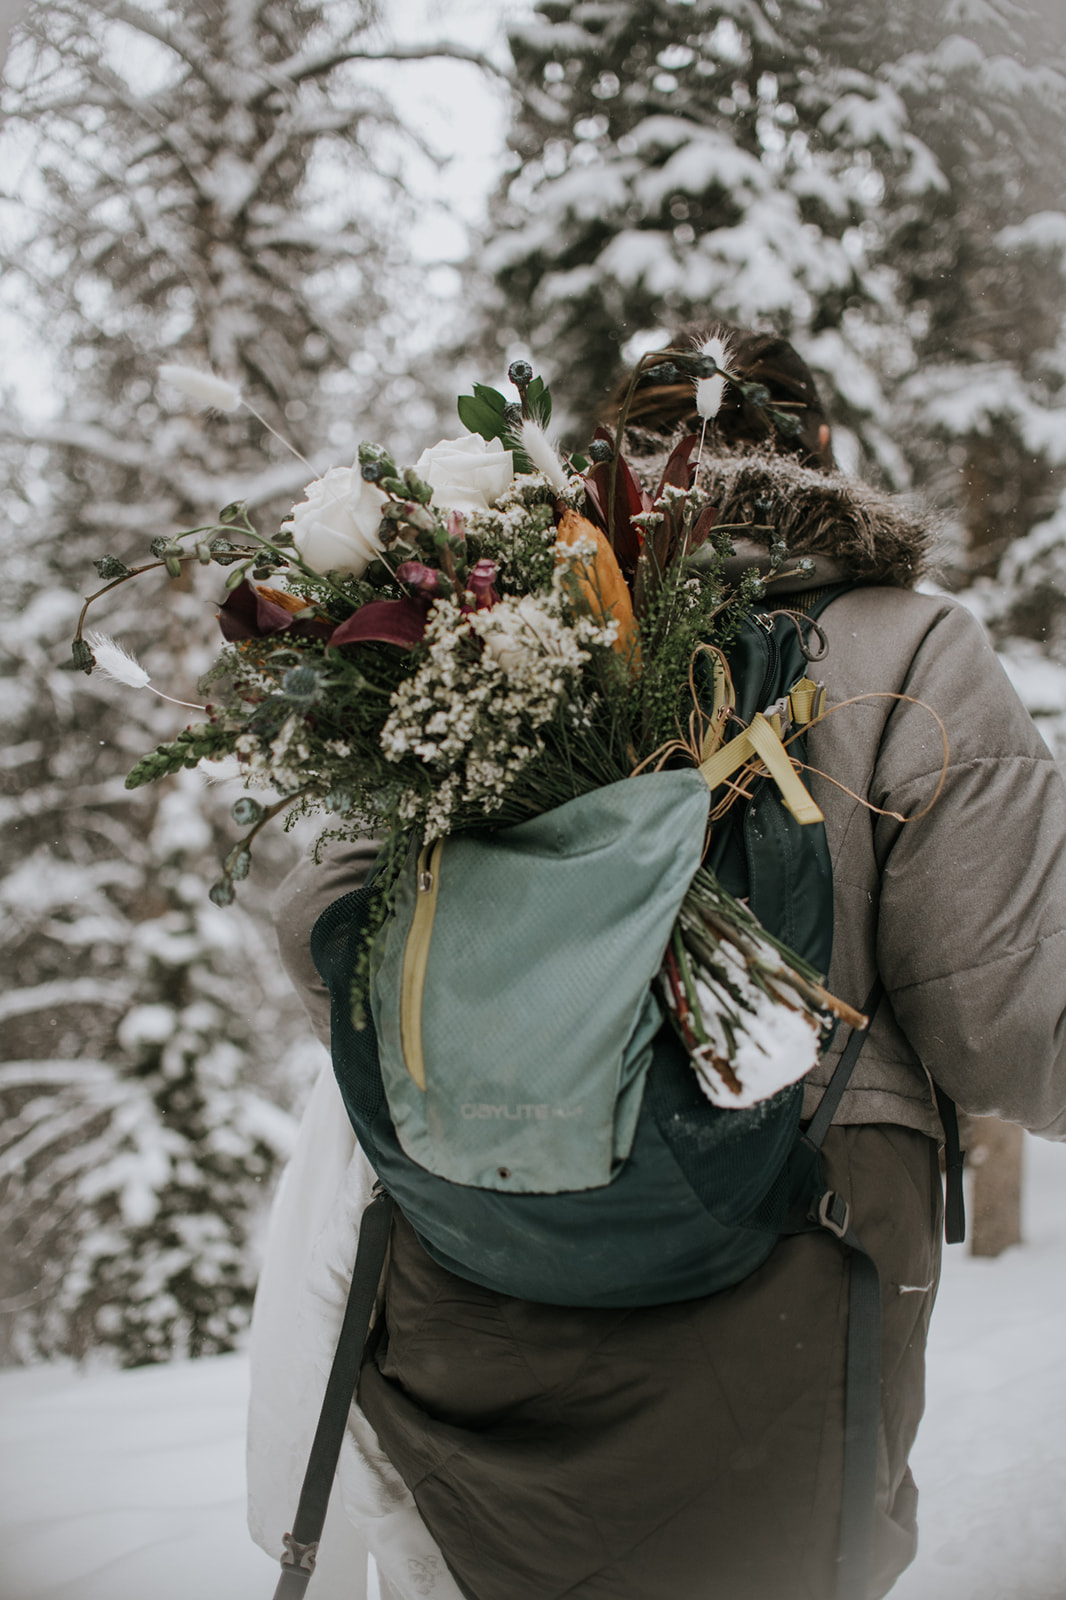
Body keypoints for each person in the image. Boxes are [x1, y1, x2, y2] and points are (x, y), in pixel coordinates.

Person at [247, 325, 1066, 1600]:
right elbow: (1008, 1025)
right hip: (795, 1258)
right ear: (824, 454)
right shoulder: (910, 650)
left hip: (469, 1254)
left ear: (607, 454)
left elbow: (324, 916)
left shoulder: (481, 627)